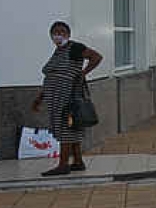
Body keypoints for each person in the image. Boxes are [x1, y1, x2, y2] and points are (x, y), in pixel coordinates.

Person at [32, 21, 103, 177]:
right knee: (72, 128)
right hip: (55, 97)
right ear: (51, 36)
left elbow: (96, 57)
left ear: (68, 34)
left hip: (68, 97)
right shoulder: (58, 52)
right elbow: (52, 76)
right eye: (55, 32)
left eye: (62, 32)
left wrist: (83, 73)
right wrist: (40, 98)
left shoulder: (75, 47)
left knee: (66, 128)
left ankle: (63, 165)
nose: (59, 35)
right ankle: (77, 161)